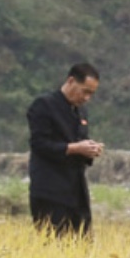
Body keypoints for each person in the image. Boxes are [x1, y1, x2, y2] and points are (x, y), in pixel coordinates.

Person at [26, 63, 105, 236]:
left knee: (82, 243)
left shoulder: (80, 112)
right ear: (71, 81)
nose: (87, 98)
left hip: (76, 191)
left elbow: (80, 142)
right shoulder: (44, 105)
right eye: (85, 91)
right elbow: (39, 144)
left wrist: (90, 149)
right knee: (52, 242)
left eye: (91, 94)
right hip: (49, 190)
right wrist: (74, 148)